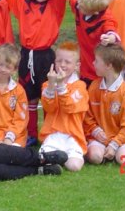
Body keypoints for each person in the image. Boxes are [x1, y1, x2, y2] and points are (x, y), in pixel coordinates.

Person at [0, 0, 68, 146]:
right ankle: (30, 134)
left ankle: (48, 133)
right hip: (26, 56)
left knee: (48, 95)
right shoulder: (24, 4)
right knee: (28, 97)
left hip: (46, 57)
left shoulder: (55, 6)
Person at [38, 41, 89, 172]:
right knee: (44, 162)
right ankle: (55, 157)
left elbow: (69, 107)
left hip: (73, 135)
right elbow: (49, 108)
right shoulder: (47, 84)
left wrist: (61, 86)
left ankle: (60, 157)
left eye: (67, 62)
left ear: (77, 65)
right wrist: (51, 85)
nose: (62, 65)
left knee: (74, 166)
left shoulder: (80, 86)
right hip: (53, 135)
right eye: (59, 61)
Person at [83, 43, 125, 165]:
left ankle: (124, 153)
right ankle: (105, 154)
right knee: (95, 157)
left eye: (97, 61)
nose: (93, 63)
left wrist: (114, 144)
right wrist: (95, 131)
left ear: (108, 65)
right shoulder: (94, 87)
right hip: (99, 139)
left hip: (121, 140)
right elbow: (87, 116)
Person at [63, 0, 120, 86]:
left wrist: (110, 38)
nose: (77, 6)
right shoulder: (81, 3)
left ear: (94, 12)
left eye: (82, 7)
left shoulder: (105, 20)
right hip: (84, 63)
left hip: (98, 68)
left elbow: (111, 31)